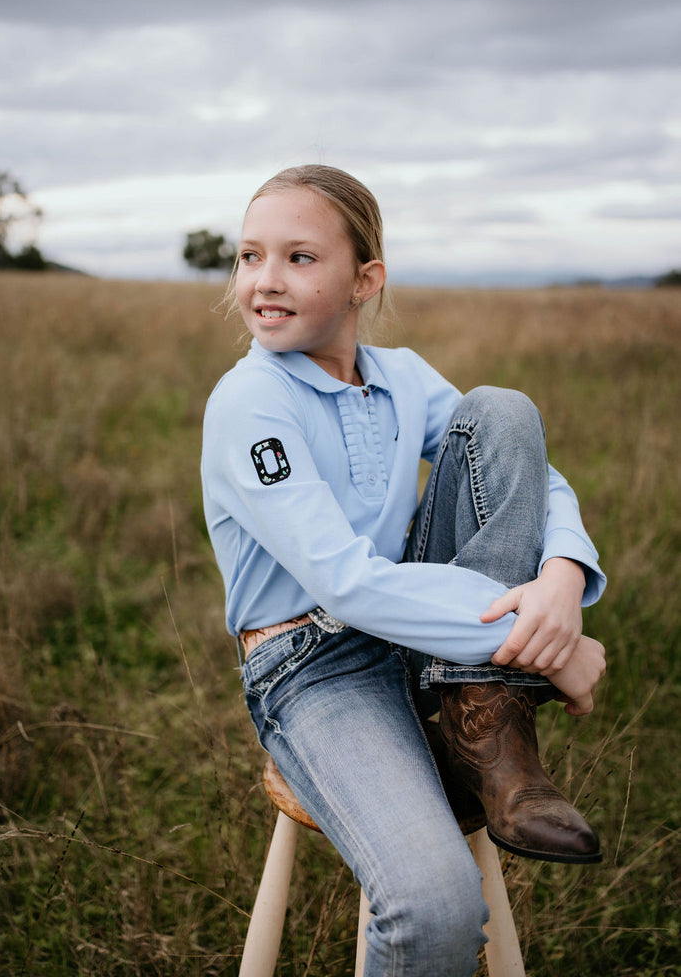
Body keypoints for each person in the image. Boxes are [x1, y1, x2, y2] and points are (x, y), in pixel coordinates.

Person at [201, 164, 606, 977]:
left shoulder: (401, 377)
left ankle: (484, 712)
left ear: (364, 280)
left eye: (299, 258)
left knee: (501, 412)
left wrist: (562, 577)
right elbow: (343, 582)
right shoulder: (250, 403)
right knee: (435, 909)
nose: (265, 281)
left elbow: (530, 473)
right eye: (249, 256)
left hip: (413, 638)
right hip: (313, 665)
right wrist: (539, 642)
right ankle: (491, 689)